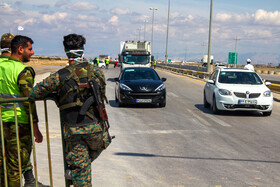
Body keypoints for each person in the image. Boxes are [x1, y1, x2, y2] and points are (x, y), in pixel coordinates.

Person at [28, 33, 111, 187]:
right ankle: (78, 169)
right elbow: (102, 95)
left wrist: (56, 95)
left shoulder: (60, 76)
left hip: (74, 130)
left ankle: (77, 169)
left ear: (66, 51)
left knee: (80, 166)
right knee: (94, 152)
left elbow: (33, 93)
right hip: (96, 128)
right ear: (82, 50)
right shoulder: (97, 72)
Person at [0, 35, 46, 187]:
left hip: (2, 123)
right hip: (18, 124)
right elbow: (28, 102)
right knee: (15, 166)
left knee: (2, 165)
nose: (33, 53)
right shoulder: (23, 70)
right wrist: (36, 128)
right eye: (30, 49)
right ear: (20, 49)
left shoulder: (2, 65)